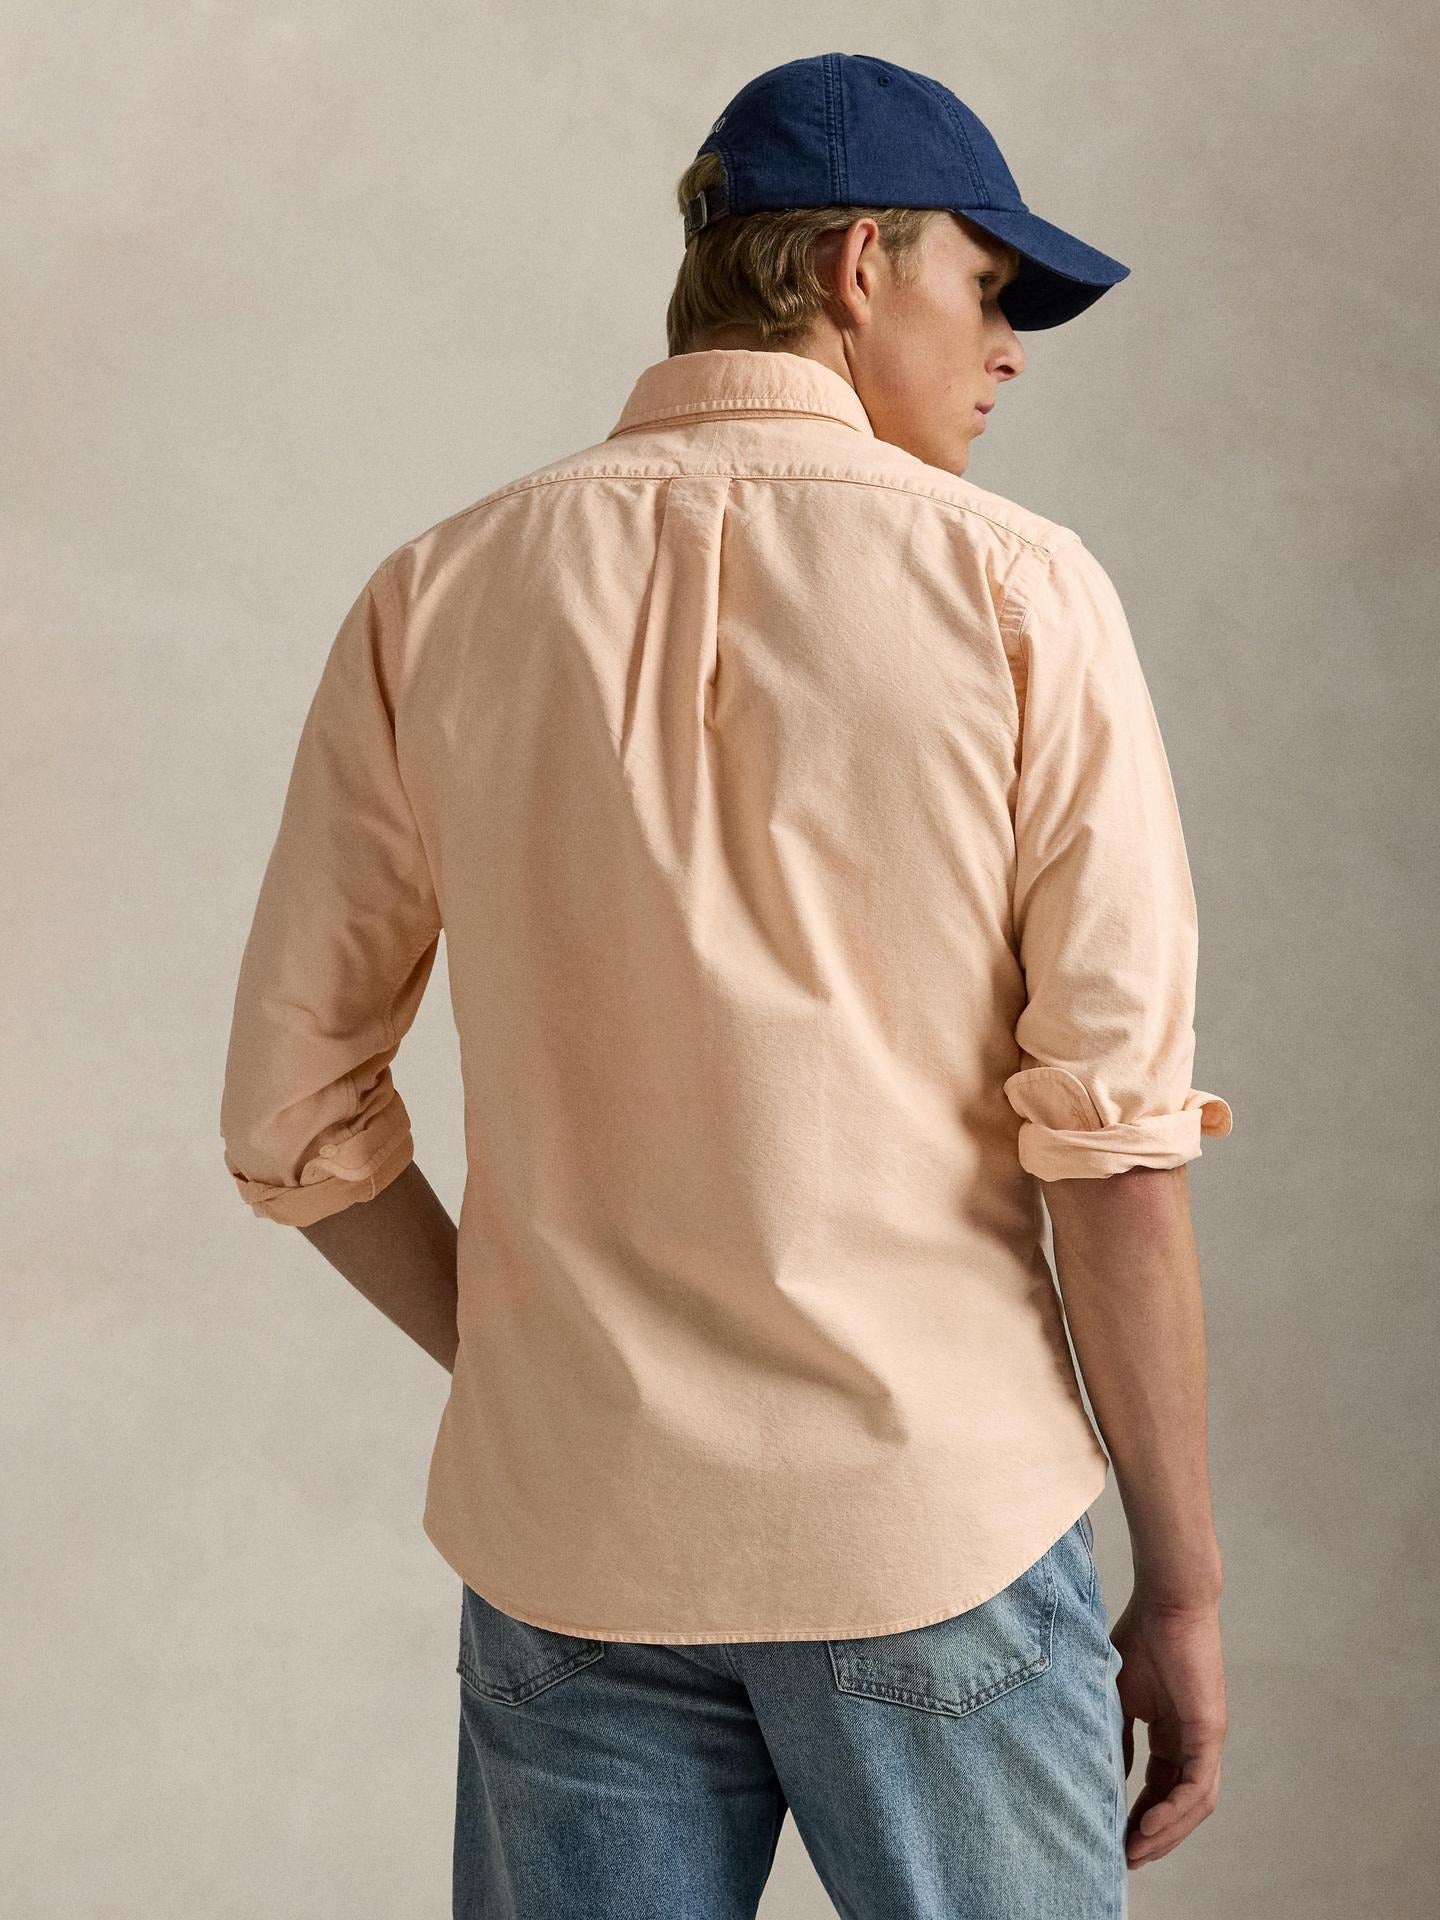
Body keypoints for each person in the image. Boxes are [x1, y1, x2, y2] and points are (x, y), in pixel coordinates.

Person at [219, 50, 1233, 1919]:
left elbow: (290, 1114)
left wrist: (535, 1365)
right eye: (990, 285)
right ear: (858, 265)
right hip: (928, 1526)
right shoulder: (1022, 591)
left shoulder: (438, 593)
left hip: (571, 1535)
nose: (1009, 350)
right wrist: (1181, 1584)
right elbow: (1114, 1159)